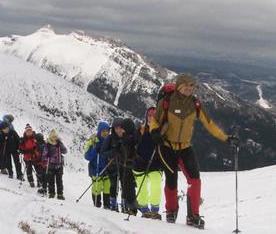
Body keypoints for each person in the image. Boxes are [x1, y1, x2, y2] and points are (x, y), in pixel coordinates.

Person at [148, 73, 239, 229]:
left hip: (185, 147)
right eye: (186, 87)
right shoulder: (167, 102)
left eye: (192, 87)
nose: (189, 90)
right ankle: (171, 211)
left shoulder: (195, 104)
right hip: (166, 147)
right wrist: (154, 131)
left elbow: (209, 124)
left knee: (195, 180)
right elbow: (155, 120)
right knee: (171, 181)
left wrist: (226, 138)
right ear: (179, 87)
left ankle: (193, 216)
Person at [100, 118, 138, 215]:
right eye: (116, 128)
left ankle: (125, 205)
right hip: (112, 166)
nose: (118, 130)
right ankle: (113, 204)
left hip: (123, 167)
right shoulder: (110, 138)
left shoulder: (127, 137)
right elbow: (103, 153)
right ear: (113, 128)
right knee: (113, 186)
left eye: (120, 128)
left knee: (125, 186)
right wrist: (113, 152)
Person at [133, 107, 163, 220]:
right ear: (146, 116)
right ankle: (145, 210)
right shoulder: (141, 130)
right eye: (150, 115)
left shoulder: (160, 131)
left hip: (155, 164)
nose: (151, 118)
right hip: (140, 163)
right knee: (142, 188)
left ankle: (154, 210)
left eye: (154, 116)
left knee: (156, 184)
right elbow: (134, 144)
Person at [83, 121, 111, 209]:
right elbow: (87, 156)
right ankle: (97, 204)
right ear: (99, 131)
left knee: (108, 187)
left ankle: (107, 205)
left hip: (107, 169)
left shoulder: (110, 141)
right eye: (103, 131)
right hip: (96, 169)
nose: (105, 133)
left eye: (107, 131)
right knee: (97, 186)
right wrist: (95, 149)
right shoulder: (93, 142)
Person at [42, 130, 67, 200]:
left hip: (59, 165)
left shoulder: (59, 144)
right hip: (50, 165)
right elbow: (44, 156)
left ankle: (60, 194)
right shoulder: (47, 145)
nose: (54, 138)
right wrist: (47, 157)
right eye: (53, 137)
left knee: (59, 181)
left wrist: (60, 144)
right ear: (50, 137)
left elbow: (65, 151)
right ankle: (51, 193)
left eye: (55, 136)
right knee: (51, 181)